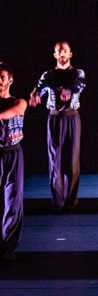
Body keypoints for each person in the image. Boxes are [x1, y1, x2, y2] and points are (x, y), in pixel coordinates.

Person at [29, 41, 86, 212]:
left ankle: (71, 200)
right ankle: (58, 201)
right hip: (55, 117)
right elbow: (38, 88)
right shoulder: (49, 75)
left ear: (70, 54)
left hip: (72, 117)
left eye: (65, 51)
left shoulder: (77, 73)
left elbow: (80, 85)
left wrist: (69, 90)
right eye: (59, 52)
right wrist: (35, 95)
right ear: (55, 55)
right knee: (56, 160)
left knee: (72, 160)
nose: (62, 54)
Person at [0, 63, 26, 265]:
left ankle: (8, 245)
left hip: (12, 154)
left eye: (2, 77)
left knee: (13, 200)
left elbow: (11, 112)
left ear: (10, 79)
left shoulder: (19, 102)